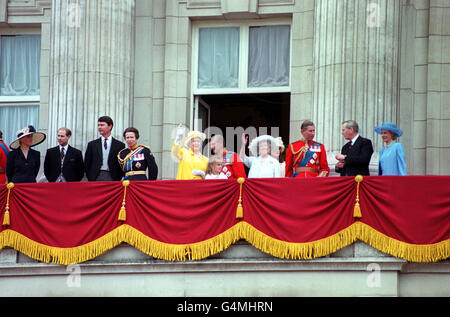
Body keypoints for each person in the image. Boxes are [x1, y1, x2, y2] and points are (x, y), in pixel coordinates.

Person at [84, 116, 125, 181]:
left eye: (102, 125)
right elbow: (87, 162)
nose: (99, 127)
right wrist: (90, 176)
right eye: (98, 125)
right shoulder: (92, 144)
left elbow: (121, 163)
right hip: (95, 176)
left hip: (113, 177)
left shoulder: (119, 145)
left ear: (110, 126)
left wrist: (118, 177)